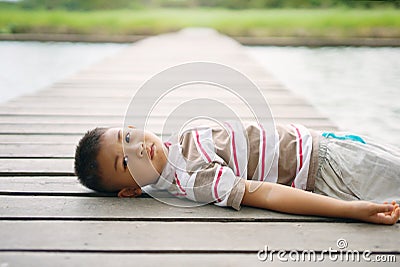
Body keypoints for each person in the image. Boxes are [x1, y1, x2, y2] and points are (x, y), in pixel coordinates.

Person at [74, 121, 400, 225]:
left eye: (127, 138)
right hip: (329, 170)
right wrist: (351, 211)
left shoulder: (175, 146)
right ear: (130, 191)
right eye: (125, 163)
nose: (137, 149)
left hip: (328, 144)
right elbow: (267, 194)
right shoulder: (190, 176)